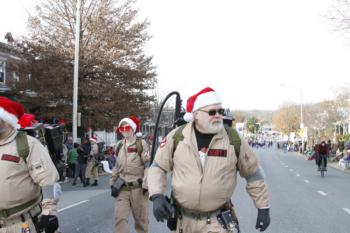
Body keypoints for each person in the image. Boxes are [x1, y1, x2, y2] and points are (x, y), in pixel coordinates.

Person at [148, 87, 270, 233]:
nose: (218, 116)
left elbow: (253, 174)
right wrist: (157, 196)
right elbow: (158, 167)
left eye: (221, 111)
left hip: (217, 222)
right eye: (212, 112)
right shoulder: (176, 137)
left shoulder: (233, 139)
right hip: (183, 223)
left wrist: (263, 208)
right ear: (196, 114)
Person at [0, 96, 60, 233]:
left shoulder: (27, 144)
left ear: (6, 120)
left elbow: (48, 180)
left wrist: (49, 211)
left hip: (23, 223)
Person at [110, 116, 150, 233]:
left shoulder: (141, 144)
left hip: (139, 188)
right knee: (120, 219)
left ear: (133, 129)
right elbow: (116, 166)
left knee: (141, 222)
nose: (124, 130)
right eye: (121, 128)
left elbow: (147, 166)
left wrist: (146, 184)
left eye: (127, 127)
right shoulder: (119, 145)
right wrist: (112, 182)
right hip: (122, 188)